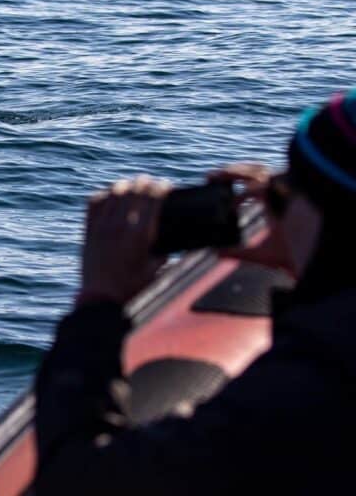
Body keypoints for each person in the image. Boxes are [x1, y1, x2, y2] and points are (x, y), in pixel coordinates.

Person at [35, 91, 356, 494]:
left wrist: (100, 301)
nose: (273, 201)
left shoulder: (310, 389)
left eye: (289, 190)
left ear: (335, 220)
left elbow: (76, 480)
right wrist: (296, 250)